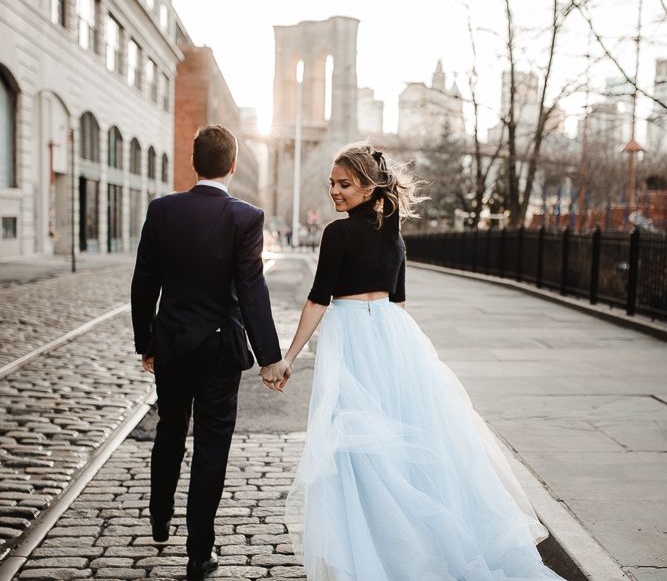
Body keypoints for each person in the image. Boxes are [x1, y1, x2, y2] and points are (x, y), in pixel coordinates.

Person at [271, 143, 565, 580]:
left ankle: (371, 553)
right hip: (393, 338)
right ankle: (408, 550)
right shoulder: (395, 236)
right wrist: (404, 361)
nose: (334, 191)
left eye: (344, 184)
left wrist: (287, 358)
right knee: (400, 451)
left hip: (352, 338)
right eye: (332, 183)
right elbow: (399, 303)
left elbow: (318, 300)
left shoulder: (338, 234)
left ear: (370, 188)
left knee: (358, 451)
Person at [131, 125, 291, 580]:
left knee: (170, 429)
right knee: (211, 446)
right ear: (234, 165)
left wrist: (146, 342)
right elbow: (251, 288)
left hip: (174, 345)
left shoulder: (162, 211)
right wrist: (269, 357)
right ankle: (199, 552)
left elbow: (144, 284)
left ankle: (159, 516)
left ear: (193, 163)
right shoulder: (246, 217)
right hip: (220, 350)